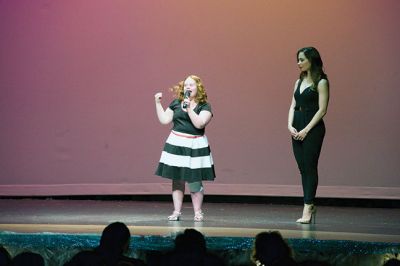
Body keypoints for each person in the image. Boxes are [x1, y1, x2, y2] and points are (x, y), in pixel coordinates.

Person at [154, 75, 215, 222]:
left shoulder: (204, 106)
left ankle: (198, 212)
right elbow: (164, 120)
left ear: (198, 88)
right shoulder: (176, 103)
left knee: (194, 180)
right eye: (186, 85)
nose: (188, 87)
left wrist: (188, 110)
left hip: (195, 144)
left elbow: (200, 124)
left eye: (191, 85)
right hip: (176, 143)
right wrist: (157, 103)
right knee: (177, 180)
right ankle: (176, 212)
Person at [288, 47, 329, 224]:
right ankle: (309, 204)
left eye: (302, 59)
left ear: (311, 60)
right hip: (297, 125)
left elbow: (322, 110)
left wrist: (306, 130)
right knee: (302, 168)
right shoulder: (298, 82)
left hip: (312, 128)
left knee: (310, 167)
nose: (298, 63)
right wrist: (290, 125)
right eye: (298, 59)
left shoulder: (321, 82)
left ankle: (308, 206)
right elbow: (292, 105)